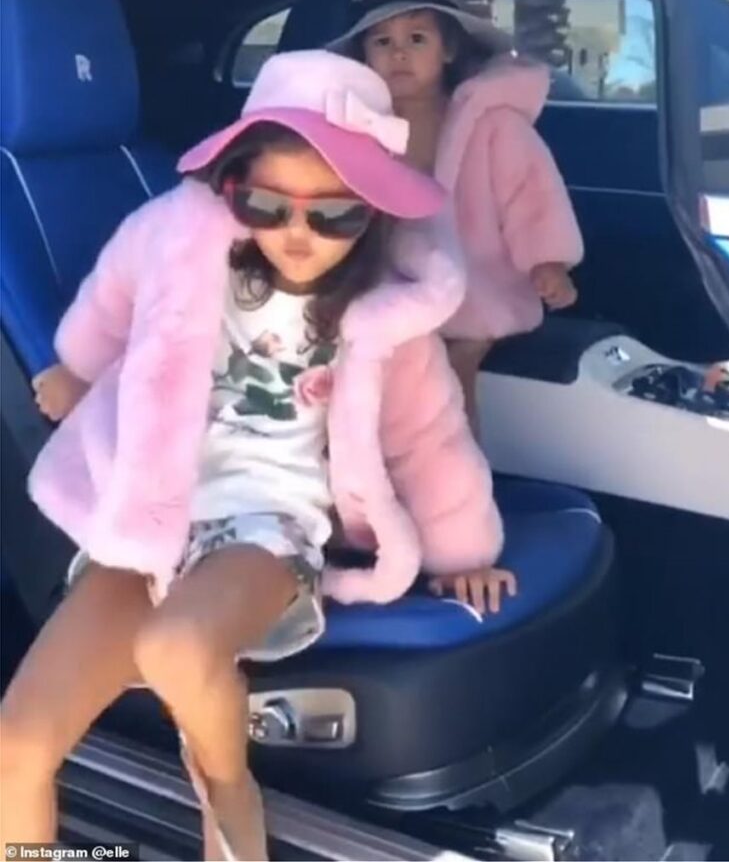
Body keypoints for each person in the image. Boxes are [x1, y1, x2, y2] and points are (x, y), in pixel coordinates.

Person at [0, 50, 514, 862]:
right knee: (15, 747)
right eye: (267, 205)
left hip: (268, 522)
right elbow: (114, 296)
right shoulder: (179, 243)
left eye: (332, 216)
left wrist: (463, 551)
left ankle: (228, 787)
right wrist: (77, 365)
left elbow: (428, 439)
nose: (296, 234)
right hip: (148, 512)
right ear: (233, 188)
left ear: (373, 211)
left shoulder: (384, 318)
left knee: (176, 647)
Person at [330, 0, 584, 433]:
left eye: (416, 39)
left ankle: (458, 465)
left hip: (476, 289)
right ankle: (371, 461)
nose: (399, 53)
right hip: (388, 285)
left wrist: (547, 262)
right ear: (363, 57)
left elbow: (531, 194)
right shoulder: (359, 128)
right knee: (371, 368)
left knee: (453, 373)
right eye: (382, 42)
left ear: (448, 49)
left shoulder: (491, 124)